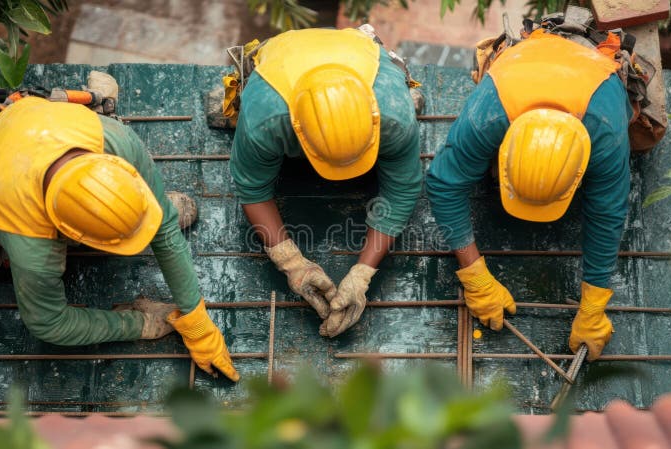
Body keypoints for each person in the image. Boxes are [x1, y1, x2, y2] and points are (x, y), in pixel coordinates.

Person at [0, 95, 239, 381]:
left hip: (25, 130)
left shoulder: (115, 140)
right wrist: (139, 324)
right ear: (72, 236)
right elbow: (49, 324)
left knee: (160, 216)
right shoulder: (33, 246)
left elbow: (165, 228)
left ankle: (138, 211)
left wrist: (197, 319)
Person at [426, 28, 632, 361]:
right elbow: (443, 183)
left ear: (579, 174)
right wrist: (474, 275)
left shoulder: (606, 134)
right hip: (519, 69)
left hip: (594, 77)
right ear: (503, 150)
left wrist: (594, 306)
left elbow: (607, 214)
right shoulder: (488, 115)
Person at [229, 27, 422, 337]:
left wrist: (362, 274)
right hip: (282, 59)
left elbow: (402, 189)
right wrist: (291, 263)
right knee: (238, 114)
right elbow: (252, 188)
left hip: (360, 52)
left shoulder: (393, 114)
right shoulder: (266, 117)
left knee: (405, 121)